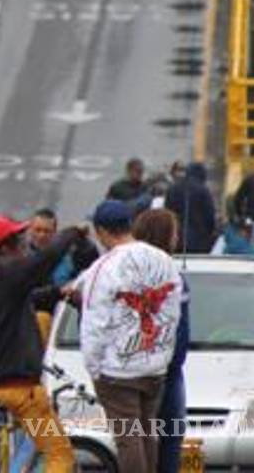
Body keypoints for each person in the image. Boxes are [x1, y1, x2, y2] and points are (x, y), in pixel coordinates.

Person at [0, 215, 84, 473]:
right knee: (59, 454)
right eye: (18, 239)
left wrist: (56, 293)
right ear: (6, 246)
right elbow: (44, 260)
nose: (23, 243)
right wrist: (72, 233)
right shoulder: (8, 271)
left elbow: (26, 297)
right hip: (18, 388)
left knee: (16, 444)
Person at [73, 201, 182, 473]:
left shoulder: (103, 267)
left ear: (100, 231)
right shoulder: (164, 261)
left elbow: (94, 325)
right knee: (147, 434)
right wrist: (163, 356)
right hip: (155, 366)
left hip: (118, 372)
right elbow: (173, 311)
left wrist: (94, 368)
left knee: (128, 439)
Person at [133, 209, 191, 473]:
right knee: (167, 453)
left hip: (129, 376)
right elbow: (180, 340)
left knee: (134, 448)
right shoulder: (175, 280)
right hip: (165, 379)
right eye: (174, 232)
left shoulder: (122, 274)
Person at [165, 162, 218, 253]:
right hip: (199, 242)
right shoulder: (203, 191)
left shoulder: (172, 189)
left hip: (177, 240)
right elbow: (210, 217)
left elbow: (167, 214)